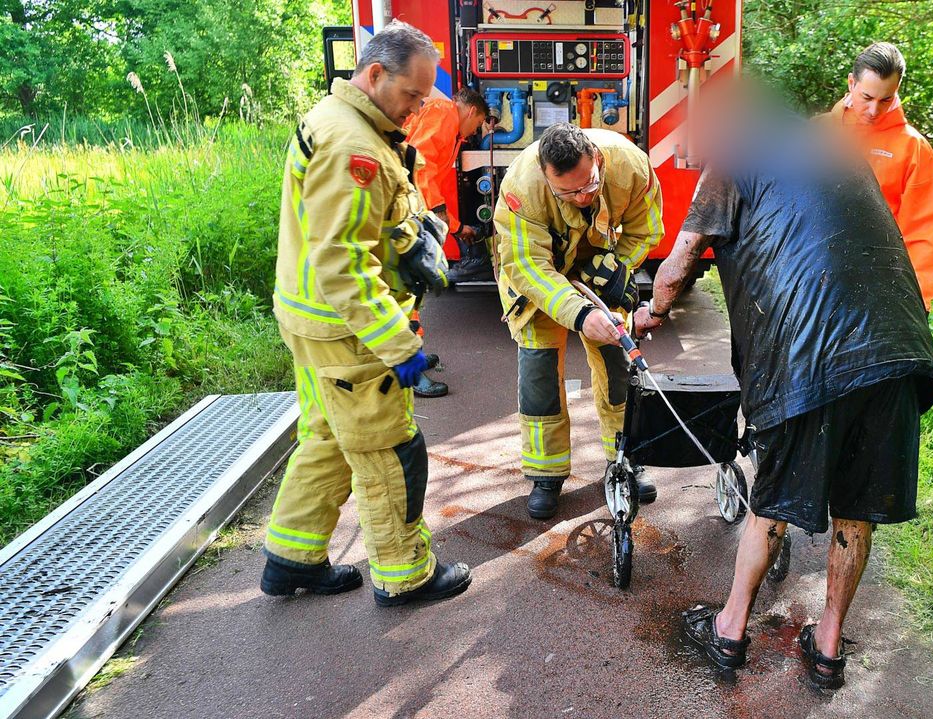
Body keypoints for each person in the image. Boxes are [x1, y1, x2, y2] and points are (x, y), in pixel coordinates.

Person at [635, 104, 933, 688]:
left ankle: (729, 630)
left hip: (811, 361)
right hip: (898, 355)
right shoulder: (842, 154)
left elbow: (679, 262)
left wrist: (652, 312)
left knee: (773, 500)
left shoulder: (733, 160)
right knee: (858, 509)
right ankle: (828, 646)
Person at [261, 21, 471, 607]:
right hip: (348, 332)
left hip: (314, 322)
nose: (417, 109)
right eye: (412, 95)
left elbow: (354, 231)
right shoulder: (354, 147)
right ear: (375, 74)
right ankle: (405, 575)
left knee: (327, 436)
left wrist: (413, 235)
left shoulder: (340, 120)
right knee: (387, 451)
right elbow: (344, 263)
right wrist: (400, 347)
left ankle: (292, 557)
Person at [493, 123, 663, 520]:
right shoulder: (521, 187)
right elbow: (528, 265)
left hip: (597, 274)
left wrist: (615, 269)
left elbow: (647, 229)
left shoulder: (632, 166)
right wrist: (581, 314)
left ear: (598, 160)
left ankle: (624, 457)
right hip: (539, 282)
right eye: (568, 193)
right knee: (539, 376)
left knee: (618, 367)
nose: (583, 197)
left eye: (590, 185)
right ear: (546, 176)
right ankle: (546, 474)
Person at [825, 42, 933, 312]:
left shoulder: (913, 148)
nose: (874, 110)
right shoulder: (818, 133)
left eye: (885, 100)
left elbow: (926, 230)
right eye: (867, 97)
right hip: (817, 282)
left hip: (877, 288)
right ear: (851, 83)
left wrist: (915, 300)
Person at [401, 87, 492, 398]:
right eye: (477, 124)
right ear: (472, 112)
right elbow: (421, 166)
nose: (473, 132)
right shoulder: (444, 114)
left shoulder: (445, 120)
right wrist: (443, 217)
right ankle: (411, 370)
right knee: (407, 293)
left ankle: (411, 355)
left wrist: (455, 226)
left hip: (410, 211)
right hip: (406, 214)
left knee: (411, 293)